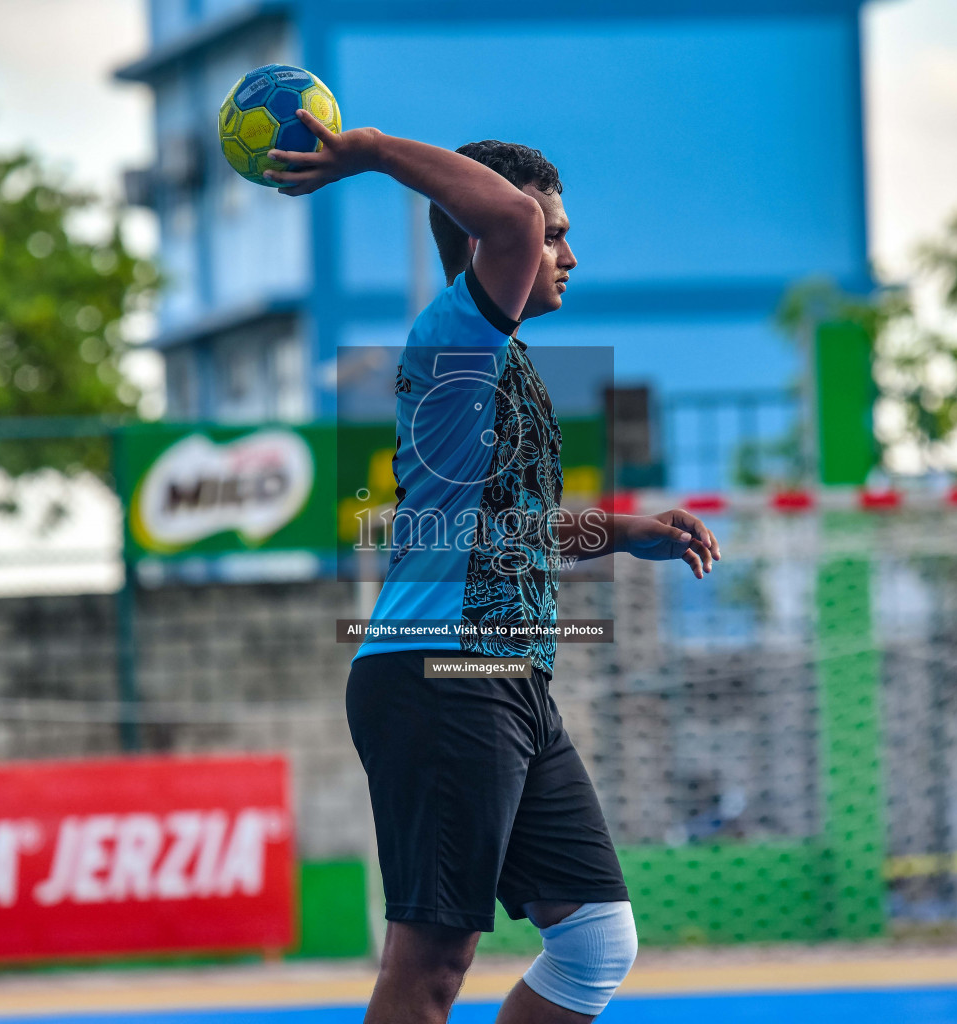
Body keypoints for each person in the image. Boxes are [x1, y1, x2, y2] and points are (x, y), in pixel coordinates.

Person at [268, 115, 721, 1022]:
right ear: (489, 241)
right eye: (554, 233)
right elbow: (509, 220)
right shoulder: (456, 334)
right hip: (441, 675)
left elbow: (512, 520)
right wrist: (369, 152)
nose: (568, 254)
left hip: (507, 678)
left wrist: (630, 530)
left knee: (595, 938)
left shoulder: (503, 362)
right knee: (432, 963)